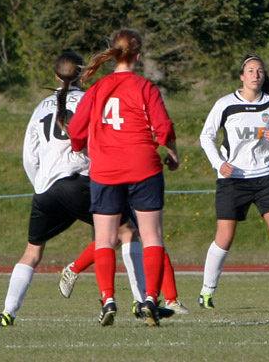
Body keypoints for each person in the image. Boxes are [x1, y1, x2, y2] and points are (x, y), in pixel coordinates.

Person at [0, 52, 149, 326]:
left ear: (56, 76)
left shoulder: (41, 106)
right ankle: (140, 301)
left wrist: (40, 185)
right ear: (84, 73)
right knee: (126, 232)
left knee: (32, 251)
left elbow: (29, 156)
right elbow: (102, 139)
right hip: (82, 181)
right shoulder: (91, 98)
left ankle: (8, 312)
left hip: (45, 190)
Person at [68, 29, 179, 327]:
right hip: (143, 166)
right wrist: (173, 152)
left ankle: (108, 299)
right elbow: (163, 127)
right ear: (138, 56)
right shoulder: (145, 87)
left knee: (105, 238)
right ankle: (149, 299)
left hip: (105, 169)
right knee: (152, 235)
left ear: (113, 53)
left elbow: (77, 129)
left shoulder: (97, 88)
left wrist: (79, 146)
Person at [198, 54, 269, 310]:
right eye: (250, 71)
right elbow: (206, 136)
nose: (255, 75)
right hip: (233, 179)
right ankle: (206, 292)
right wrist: (218, 164)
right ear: (241, 77)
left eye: (259, 71)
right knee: (225, 237)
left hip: (265, 177)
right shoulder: (226, 104)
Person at [59, 228, 190, 316]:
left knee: (153, 239)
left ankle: (169, 300)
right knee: (115, 238)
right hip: (118, 190)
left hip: (135, 188)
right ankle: (73, 270)